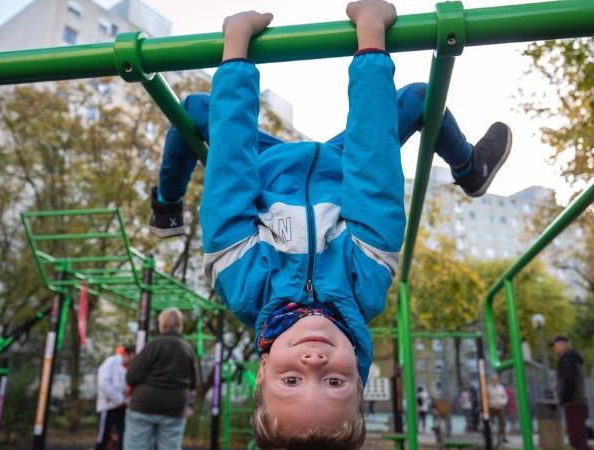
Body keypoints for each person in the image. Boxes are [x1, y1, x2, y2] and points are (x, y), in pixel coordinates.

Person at [149, 1, 511, 447]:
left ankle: (165, 205)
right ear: (360, 379)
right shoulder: (366, 279)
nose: (314, 361)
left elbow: (229, 174)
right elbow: (373, 163)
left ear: (262, 372)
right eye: (335, 384)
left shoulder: (241, 282)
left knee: (195, 112)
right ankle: (470, 169)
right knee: (419, 98)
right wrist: (371, 42)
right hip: (344, 164)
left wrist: (236, 48)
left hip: (268, 166)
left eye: (292, 382)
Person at [124, 308, 198, 450]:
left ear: (162, 325)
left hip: (144, 404)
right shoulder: (187, 349)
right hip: (174, 407)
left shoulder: (152, 345)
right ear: (180, 326)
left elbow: (131, 376)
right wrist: (189, 406)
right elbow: (194, 384)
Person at [552, 336, 593, 450]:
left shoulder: (567, 359)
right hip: (579, 401)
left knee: (576, 438)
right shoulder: (572, 358)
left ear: (562, 346)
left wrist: (565, 399)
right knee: (579, 437)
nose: (554, 349)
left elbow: (568, 380)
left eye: (555, 346)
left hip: (574, 402)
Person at [96, 345, 135, 450]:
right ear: (126, 354)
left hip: (122, 408)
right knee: (103, 437)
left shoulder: (127, 367)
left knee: (123, 436)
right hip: (107, 407)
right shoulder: (111, 362)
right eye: (132, 357)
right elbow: (104, 383)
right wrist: (121, 399)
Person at [487, 375, 508, 444]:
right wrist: (492, 404)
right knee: (490, 422)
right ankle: (491, 436)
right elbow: (486, 399)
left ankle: (502, 436)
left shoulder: (501, 388)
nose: (494, 381)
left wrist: (501, 403)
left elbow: (505, 397)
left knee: (502, 422)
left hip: (500, 407)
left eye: (496, 379)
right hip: (491, 407)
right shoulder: (488, 388)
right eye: (493, 379)